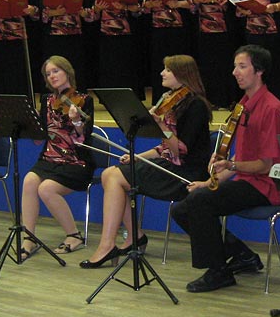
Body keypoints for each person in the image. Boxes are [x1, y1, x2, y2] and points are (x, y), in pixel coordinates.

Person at [171, 45, 280, 293]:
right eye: (235, 66)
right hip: (248, 180)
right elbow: (241, 157)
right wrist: (210, 181)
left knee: (200, 202)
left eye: (242, 66)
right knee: (182, 208)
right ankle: (242, 255)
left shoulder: (272, 108)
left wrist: (231, 165)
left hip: (268, 186)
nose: (235, 72)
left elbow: (266, 165)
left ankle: (218, 272)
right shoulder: (243, 105)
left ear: (259, 71)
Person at [81, 55, 212, 268]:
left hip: (185, 174)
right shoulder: (173, 101)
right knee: (110, 175)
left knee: (112, 176)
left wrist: (162, 126)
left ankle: (110, 244)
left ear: (181, 74)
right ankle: (133, 236)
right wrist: (137, 157)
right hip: (171, 165)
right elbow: (163, 149)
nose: (162, 73)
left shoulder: (195, 106)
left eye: (167, 70)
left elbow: (179, 150)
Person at [20, 56, 94, 260]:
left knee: (46, 189)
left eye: (56, 71)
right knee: (29, 181)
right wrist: (31, 126)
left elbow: (83, 139)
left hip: (76, 161)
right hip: (49, 158)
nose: (52, 76)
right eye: (48, 73)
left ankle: (74, 235)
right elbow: (40, 139)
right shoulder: (46, 100)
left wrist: (76, 121)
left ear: (67, 72)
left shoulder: (84, 100)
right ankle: (29, 238)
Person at [86, 0, 142, 96]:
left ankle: (128, 96)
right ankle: (110, 97)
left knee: (125, 65)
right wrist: (97, 8)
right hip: (106, 32)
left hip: (126, 32)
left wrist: (124, 6)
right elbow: (94, 8)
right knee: (109, 66)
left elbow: (138, 8)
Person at [142, 0, 193, 105]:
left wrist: (178, 3)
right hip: (158, 27)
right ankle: (160, 99)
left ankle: (180, 97)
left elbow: (194, 2)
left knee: (178, 63)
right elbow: (145, 1)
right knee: (159, 62)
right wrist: (151, 3)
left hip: (179, 27)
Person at [192, 0, 239, 109]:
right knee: (207, 65)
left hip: (223, 27)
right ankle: (210, 100)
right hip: (204, 26)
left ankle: (226, 99)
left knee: (224, 64)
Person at [41, 0, 90, 90]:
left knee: (75, 66)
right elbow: (43, 13)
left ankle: (77, 95)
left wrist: (83, 12)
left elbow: (89, 11)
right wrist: (55, 12)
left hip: (75, 34)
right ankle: (56, 95)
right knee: (56, 66)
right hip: (55, 35)